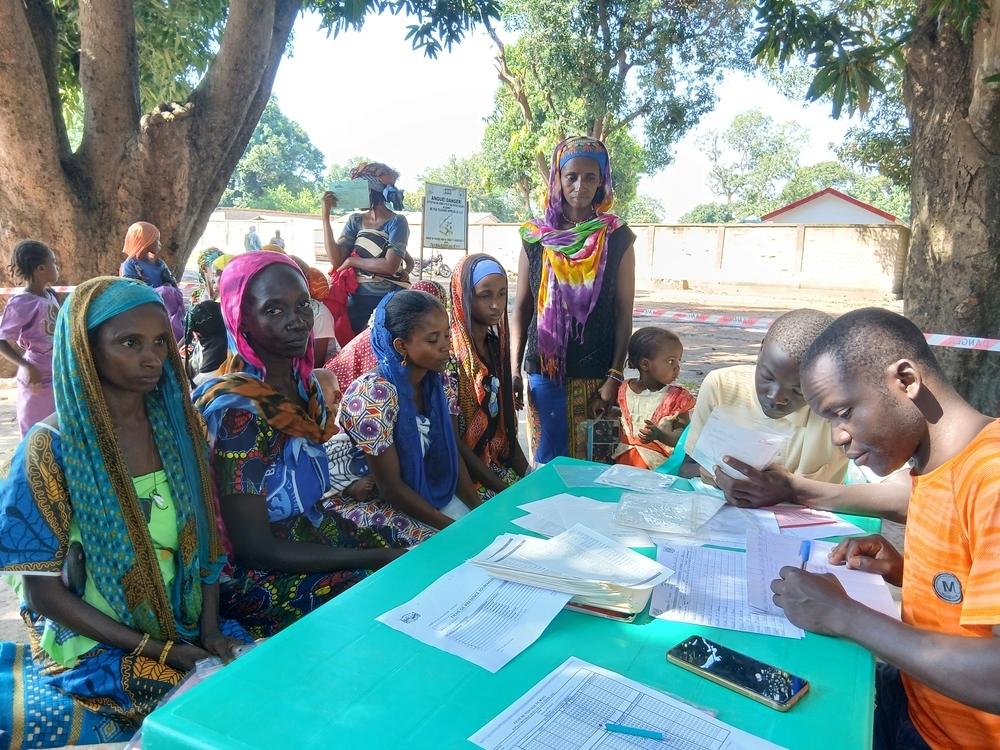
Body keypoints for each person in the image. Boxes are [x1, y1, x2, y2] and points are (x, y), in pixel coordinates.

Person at [0, 277, 248, 746]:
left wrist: (211, 631)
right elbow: (42, 593)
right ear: (86, 350)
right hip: (96, 639)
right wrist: (162, 652)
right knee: (211, 708)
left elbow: (207, 541)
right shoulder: (51, 450)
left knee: (261, 673)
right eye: (129, 343)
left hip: (183, 616)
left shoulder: (181, 430)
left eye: (160, 341)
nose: (152, 357)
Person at [770, 307, 1000, 750]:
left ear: (906, 380)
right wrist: (907, 573)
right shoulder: (938, 466)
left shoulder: (991, 476)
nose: (839, 437)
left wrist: (844, 615)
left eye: (844, 412)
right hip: (913, 698)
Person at [194, 252, 404, 637]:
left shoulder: (304, 387)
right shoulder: (240, 412)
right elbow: (254, 547)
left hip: (308, 530)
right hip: (254, 571)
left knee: (411, 551)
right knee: (370, 590)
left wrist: (381, 550)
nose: (296, 320)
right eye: (273, 310)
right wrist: (375, 556)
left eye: (302, 304)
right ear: (242, 320)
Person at [684, 308, 910, 522]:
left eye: (798, 389)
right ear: (761, 350)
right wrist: (724, 482)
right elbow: (693, 465)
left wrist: (792, 490)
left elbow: (906, 498)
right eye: (767, 377)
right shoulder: (722, 386)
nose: (775, 397)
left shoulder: (838, 413)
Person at [510, 136, 636, 464]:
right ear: (557, 179)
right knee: (548, 464)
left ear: (602, 181)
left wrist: (613, 377)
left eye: (590, 177)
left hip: (597, 374)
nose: (580, 185)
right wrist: (513, 367)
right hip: (544, 371)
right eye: (571, 177)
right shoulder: (535, 236)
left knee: (594, 467)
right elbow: (521, 309)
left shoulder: (617, 235)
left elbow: (624, 312)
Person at [336, 290, 481, 543]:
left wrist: (479, 512)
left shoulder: (437, 382)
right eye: (433, 340)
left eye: (447, 335)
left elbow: (449, 452)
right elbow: (391, 488)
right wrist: (456, 529)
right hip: (367, 499)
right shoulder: (374, 395)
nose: (446, 346)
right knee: (444, 546)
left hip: (421, 485)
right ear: (401, 346)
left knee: (483, 521)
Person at [447, 255, 529, 497]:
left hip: (496, 465)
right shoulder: (448, 356)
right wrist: (502, 489)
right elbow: (455, 444)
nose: (496, 304)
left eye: (502, 294)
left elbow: (509, 434)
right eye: (485, 295)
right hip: (463, 475)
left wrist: (530, 475)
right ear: (464, 296)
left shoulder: (496, 349)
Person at [321, 162, 413, 338]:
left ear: (372, 189)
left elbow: (389, 266)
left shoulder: (397, 222)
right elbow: (336, 260)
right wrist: (325, 217)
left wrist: (352, 261)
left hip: (386, 299)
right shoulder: (355, 221)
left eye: (358, 189)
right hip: (356, 300)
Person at [0, 240, 61, 436]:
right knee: (35, 432)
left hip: (55, 371)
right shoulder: (22, 302)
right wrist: (26, 366)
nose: (57, 266)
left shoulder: (49, 294)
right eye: (53, 262)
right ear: (41, 268)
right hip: (37, 377)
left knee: (56, 427)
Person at [613, 327, 695, 470]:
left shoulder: (676, 399)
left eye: (678, 361)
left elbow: (684, 438)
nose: (677, 367)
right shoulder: (623, 390)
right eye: (670, 361)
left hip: (658, 468)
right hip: (623, 461)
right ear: (645, 364)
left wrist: (660, 435)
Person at [119, 221, 185, 341]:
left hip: (167, 311)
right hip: (146, 312)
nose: (159, 244)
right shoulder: (130, 266)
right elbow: (134, 293)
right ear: (145, 241)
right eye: (156, 240)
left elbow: (174, 287)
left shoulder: (159, 264)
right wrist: (161, 291)